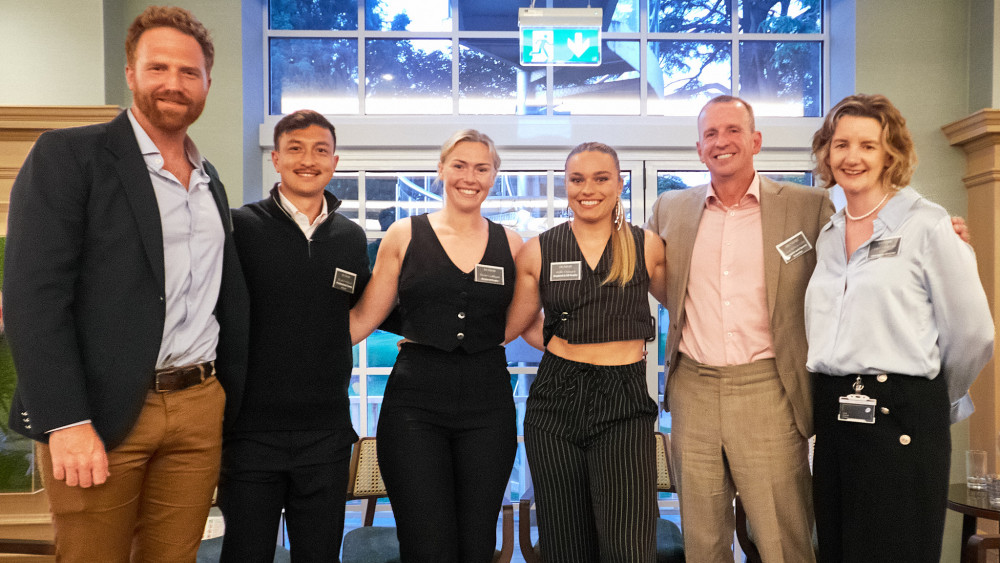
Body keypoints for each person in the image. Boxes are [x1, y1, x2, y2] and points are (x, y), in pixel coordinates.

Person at [3, 6, 249, 561]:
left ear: (208, 82)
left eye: (189, 72)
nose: (174, 83)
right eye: (158, 67)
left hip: (198, 407)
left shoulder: (209, 183)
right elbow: (34, 299)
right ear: (131, 73)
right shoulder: (70, 157)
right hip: (102, 408)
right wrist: (65, 419)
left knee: (175, 557)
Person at [805, 93, 993, 563]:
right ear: (826, 152)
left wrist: (928, 400)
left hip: (905, 415)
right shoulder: (828, 234)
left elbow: (973, 334)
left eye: (868, 145)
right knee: (839, 550)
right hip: (833, 414)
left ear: (892, 153)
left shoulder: (928, 225)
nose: (852, 157)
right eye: (841, 143)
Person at [645, 95, 831, 562]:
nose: (721, 141)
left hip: (767, 387)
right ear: (698, 147)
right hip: (694, 388)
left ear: (755, 140)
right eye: (711, 133)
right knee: (704, 542)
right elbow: (650, 277)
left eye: (732, 131)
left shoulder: (808, 206)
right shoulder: (671, 208)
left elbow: (854, 263)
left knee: (782, 537)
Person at [349, 129, 523, 562]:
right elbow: (363, 318)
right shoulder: (404, 234)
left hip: (488, 405)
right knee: (427, 545)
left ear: (494, 176)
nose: (470, 176)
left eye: (482, 168)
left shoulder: (514, 243)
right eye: (459, 165)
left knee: (477, 545)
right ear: (441, 170)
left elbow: (524, 323)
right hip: (414, 407)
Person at [218, 110, 369, 562]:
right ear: (276, 160)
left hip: (325, 434)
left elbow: (369, 305)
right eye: (296, 149)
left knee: (321, 555)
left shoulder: (350, 237)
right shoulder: (240, 228)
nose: (309, 160)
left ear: (335, 161)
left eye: (320, 150)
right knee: (247, 554)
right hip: (250, 434)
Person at [505, 142, 667, 563]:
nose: (587, 189)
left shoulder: (646, 245)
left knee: (629, 547)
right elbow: (514, 325)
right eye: (577, 179)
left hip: (624, 401)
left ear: (619, 184)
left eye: (601, 178)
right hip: (556, 401)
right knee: (565, 547)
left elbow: (692, 308)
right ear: (565, 185)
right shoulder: (539, 249)